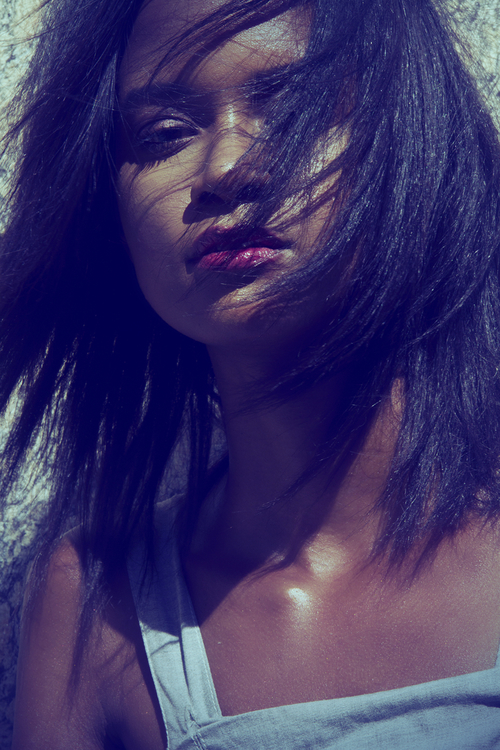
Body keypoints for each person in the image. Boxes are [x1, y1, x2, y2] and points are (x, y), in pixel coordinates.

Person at [3, 0, 500, 747]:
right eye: (163, 135)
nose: (227, 167)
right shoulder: (95, 607)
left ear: (411, 138)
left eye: (296, 107)